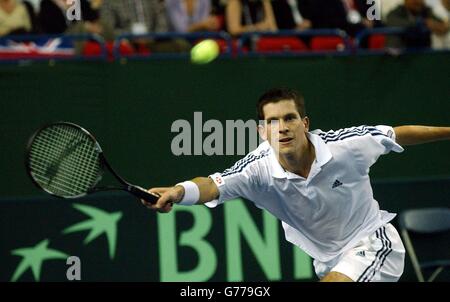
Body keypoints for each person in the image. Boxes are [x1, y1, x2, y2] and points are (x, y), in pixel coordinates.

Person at [142, 87, 450, 282]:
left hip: (373, 243)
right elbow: (212, 185)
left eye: (290, 118)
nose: (283, 127)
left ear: (304, 123)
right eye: (273, 122)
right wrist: (178, 192)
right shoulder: (257, 169)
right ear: (263, 131)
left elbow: (398, 134)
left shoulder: (348, 146)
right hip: (328, 262)